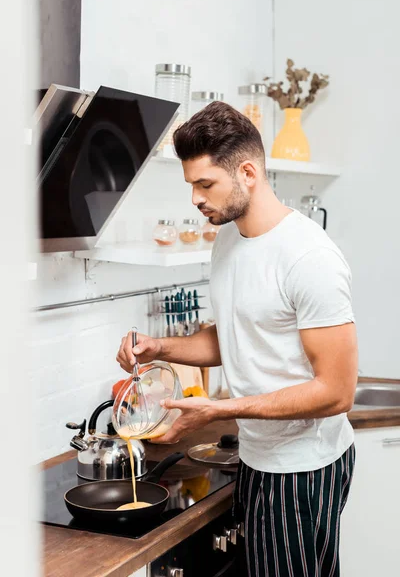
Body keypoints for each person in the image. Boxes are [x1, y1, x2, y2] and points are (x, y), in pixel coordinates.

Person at [116, 102, 358, 577]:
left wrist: (219, 410)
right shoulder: (228, 240)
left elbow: (336, 391)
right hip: (258, 456)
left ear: (247, 172)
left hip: (302, 468)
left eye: (205, 184)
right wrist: (160, 346)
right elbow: (233, 338)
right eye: (191, 185)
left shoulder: (309, 257)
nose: (195, 199)